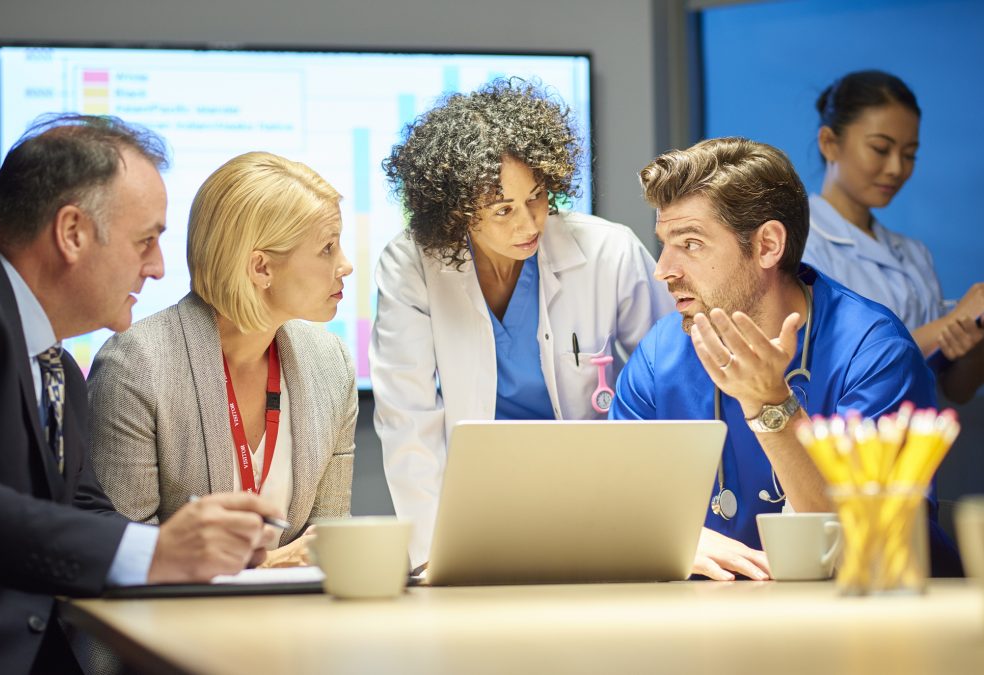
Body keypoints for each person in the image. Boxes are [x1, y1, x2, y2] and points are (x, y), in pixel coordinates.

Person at [0, 115, 280, 674]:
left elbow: (82, 510)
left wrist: (202, 548)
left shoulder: (57, 365)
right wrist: (156, 551)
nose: (157, 268)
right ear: (72, 232)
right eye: (146, 240)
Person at [610, 136, 960, 580]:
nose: (663, 270)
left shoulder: (875, 353)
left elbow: (868, 544)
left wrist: (770, 405)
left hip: (858, 609)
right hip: (710, 609)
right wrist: (676, 541)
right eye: (665, 243)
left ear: (768, 245)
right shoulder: (662, 354)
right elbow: (614, 506)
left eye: (691, 244)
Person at [371, 79, 674, 569]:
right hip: (480, 499)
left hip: (599, 491)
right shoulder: (413, 264)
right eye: (502, 210)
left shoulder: (607, 250)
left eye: (536, 197)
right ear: (456, 212)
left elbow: (674, 371)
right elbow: (407, 416)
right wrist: (431, 558)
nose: (529, 224)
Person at [89, 151, 357, 568]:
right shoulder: (137, 367)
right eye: (327, 248)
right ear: (261, 268)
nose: (346, 265)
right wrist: (266, 565)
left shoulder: (331, 364)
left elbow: (327, 547)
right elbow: (125, 559)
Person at [803, 70, 984, 403]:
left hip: (923, 432)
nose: (896, 169)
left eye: (909, 154)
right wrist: (950, 322)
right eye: (880, 148)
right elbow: (834, 372)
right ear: (829, 143)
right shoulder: (800, 245)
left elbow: (955, 391)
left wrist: (971, 345)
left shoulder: (914, 254)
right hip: (847, 431)